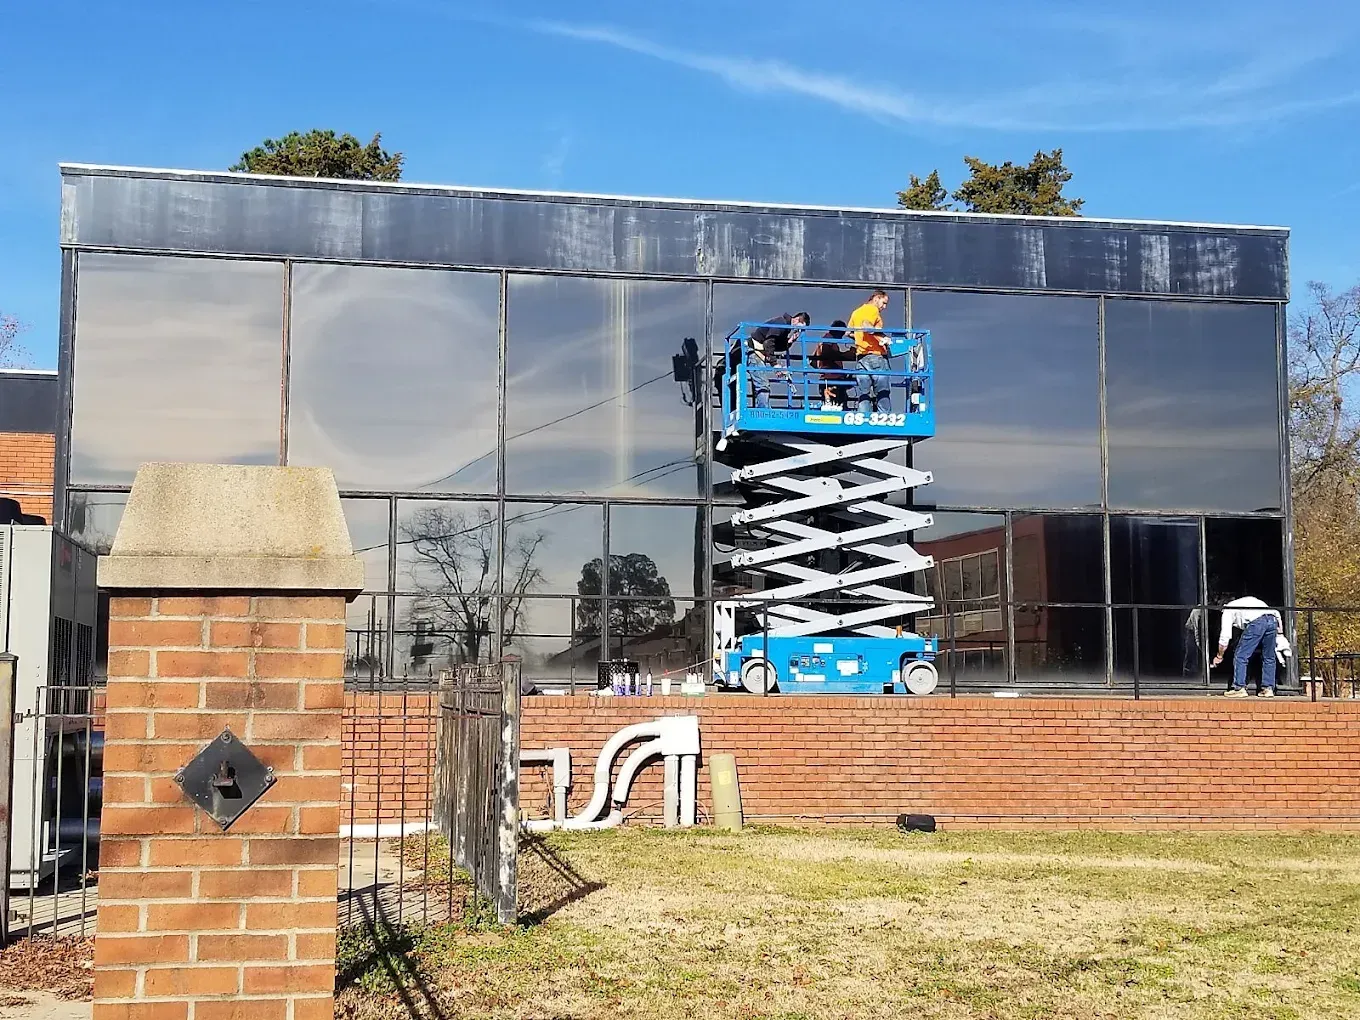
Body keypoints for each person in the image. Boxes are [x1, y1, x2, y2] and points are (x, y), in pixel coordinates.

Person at [1212, 596, 1285, 697]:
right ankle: (1268, 689)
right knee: (1269, 656)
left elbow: (1225, 637)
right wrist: (1280, 632)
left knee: (1240, 655)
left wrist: (1219, 656)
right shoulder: (1247, 600)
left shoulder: (1228, 610)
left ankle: (1239, 688)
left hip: (1257, 623)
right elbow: (1275, 613)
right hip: (1272, 620)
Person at [745, 312, 810, 408]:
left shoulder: (784, 327)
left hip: (758, 352)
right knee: (763, 385)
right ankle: (762, 412)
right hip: (754, 351)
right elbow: (768, 343)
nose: (799, 330)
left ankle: (762, 409)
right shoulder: (781, 324)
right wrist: (775, 364)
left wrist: (790, 341)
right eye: (800, 327)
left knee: (760, 384)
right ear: (796, 320)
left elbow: (774, 345)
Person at [849, 290, 892, 414]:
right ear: (876, 298)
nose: (884, 307)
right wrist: (884, 338)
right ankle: (884, 418)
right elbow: (866, 326)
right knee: (882, 391)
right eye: (883, 303)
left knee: (864, 392)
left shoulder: (856, 312)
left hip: (861, 357)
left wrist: (859, 338)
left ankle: (863, 418)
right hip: (876, 355)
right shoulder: (872, 310)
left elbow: (848, 332)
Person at [809, 321, 851, 410]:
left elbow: (814, 362)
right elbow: (827, 353)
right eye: (842, 332)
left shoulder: (827, 340)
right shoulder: (828, 339)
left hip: (830, 378)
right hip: (831, 379)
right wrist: (846, 355)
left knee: (836, 405)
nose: (842, 335)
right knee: (836, 407)